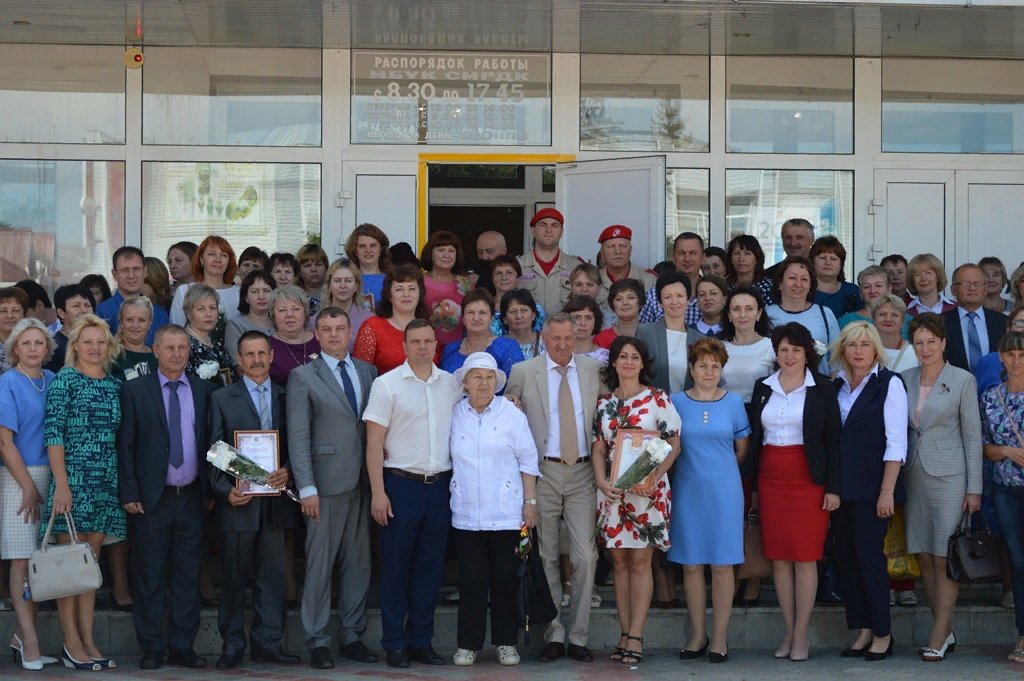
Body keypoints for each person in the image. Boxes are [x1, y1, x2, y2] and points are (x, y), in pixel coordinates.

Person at [505, 314, 603, 664]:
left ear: (577, 336)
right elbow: (509, 420)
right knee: (544, 555)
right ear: (543, 337)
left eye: (568, 338)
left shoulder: (593, 370)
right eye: (555, 338)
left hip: (582, 473)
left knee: (585, 556)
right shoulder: (522, 372)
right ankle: (554, 634)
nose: (562, 345)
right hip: (542, 472)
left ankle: (578, 636)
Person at [118, 324, 217, 670]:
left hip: (191, 497)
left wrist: (212, 489)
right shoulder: (134, 390)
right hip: (150, 499)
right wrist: (128, 491)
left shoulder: (205, 391)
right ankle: (152, 647)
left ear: (189, 352)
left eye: (182, 348)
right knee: (149, 575)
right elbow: (126, 444)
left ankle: (182, 647)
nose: (176, 354)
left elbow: (211, 442)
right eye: (169, 347)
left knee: (188, 575)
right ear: (155, 351)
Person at [363, 319, 461, 668]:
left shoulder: (451, 384)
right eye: (415, 341)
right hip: (399, 485)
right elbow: (374, 443)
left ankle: (421, 641)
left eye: (427, 342)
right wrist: (378, 492)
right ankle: (395, 643)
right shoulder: (386, 385)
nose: (421, 347)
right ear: (404, 346)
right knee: (394, 568)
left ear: (436, 346)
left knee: (429, 569)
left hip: (439, 489)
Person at [288, 307, 379, 669]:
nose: (334, 334)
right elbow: (298, 436)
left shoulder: (368, 372)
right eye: (326, 329)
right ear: (317, 333)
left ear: (349, 331)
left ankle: (353, 634)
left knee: (359, 563)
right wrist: (306, 486)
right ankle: (317, 639)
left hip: (364, 482)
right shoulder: (302, 376)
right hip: (324, 485)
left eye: (340, 328)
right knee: (320, 565)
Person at [746, 322, 842, 661]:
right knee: (780, 560)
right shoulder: (762, 387)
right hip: (771, 481)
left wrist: (833, 488)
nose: (789, 356)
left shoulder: (823, 389)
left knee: (805, 558)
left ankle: (802, 635)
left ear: (807, 354)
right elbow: (756, 441)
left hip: (809, 481)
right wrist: (752, 488)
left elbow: (834, 442)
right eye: (784, 349)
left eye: (796, 350)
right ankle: (789, 630)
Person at [208, 331, 299, 669]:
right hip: (239, 504)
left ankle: (268, 643)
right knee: (233, 579)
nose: (257, 360)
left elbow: (295, 445)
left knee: (273, 578)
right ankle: (232, 645)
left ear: (271, 356)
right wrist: (224, 490)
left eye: (262, 353)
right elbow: (215, 451)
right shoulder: (221, 398)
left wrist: (288, 470)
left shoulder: (286, 395)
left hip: (275, 503)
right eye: (250, 354)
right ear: (240, 359)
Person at [592, 336, 681, 665]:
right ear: (613, 362)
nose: (629, 361)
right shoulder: (604, 403)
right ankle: (623, 632)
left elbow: (673, 444)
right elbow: (599, 446)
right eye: (623, 356)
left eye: (635, 357)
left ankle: (637, 636)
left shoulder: (657, 398)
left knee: (642, 563)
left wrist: (653, 478)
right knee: (619, 564)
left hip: (647, 493)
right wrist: (601, 481)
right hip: (613, 494)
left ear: (644, 363)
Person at [44, 314, 125, 671]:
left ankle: (89, 639)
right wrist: (61, 485)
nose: (94, 347)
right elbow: (54, 435)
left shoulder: (113, 384)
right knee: (67, 568)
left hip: (105, 482)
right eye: (87, 341)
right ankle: (71, 641)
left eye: (100, 342)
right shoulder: (66, 380)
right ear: (74, 345)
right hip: (73, 482)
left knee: (89, 568)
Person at [449, 352, 540, 667]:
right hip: (466, 514)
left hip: (506, 514)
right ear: (465, 383)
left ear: (497, 382)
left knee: (504, 580)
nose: (483, 383)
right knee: (472, 581)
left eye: (489, 377)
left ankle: (506, 643)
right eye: (476, 377)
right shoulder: (454, 413)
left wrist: (530, 503)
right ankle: (468, 645)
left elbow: (528, 460)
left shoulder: (511, 414)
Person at [901, 312, 982, 662]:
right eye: (919, 342)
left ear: (943, 343)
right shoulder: (904, 378)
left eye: (931, 341)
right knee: (924, 554)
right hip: (914, 475)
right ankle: (945, 628)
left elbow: (972, 436)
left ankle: (938, 633)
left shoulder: (962, 380)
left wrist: (974, 488)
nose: (925, 348)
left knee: (945, 556)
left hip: (951, 476)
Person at [669, 338, 750, 664]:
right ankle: (698, 635)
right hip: (688, 491)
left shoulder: (733, 402)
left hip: (725, 493)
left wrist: (722, 474)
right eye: (702, 365)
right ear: (691, 368)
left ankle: (719, 638)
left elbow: (742, 449)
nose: (709, 371)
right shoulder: (675, 402)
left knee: (721, 564)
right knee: (690, 565)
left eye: (715, 365)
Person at [830, 322, 907, 662]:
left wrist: (887, 492)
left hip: (875, 489)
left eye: (864, 344)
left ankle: (883, 633)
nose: (858, 350)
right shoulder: (836, 386)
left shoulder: (890, 384)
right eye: (851, 345)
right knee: (847, 560)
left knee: (869, 560)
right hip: (840, 490)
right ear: (842, 350)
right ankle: (862, 628)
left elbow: (896, 443)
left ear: (876, 348)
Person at [0, 319, 58, 670]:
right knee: (21, 558)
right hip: (17, 476)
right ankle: (30, 640)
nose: (34, 348)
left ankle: (21, 636)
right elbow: (4, 442)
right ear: (15, 349)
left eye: (40, 342)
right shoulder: (7, 382)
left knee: (41, 562)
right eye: (27, 343)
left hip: (52, 475)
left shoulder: (53, 381)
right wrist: (27, 487)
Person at [980, 331, 1024, 663]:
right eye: (1010, 354)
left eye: (1022, 354)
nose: (1016, 360)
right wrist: (1007, 450)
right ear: (1001, 357)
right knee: (1019, 564)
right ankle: (1022, 636)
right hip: (1007, 489)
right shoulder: (991, 398)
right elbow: (983, 447)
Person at [766, 256, 840, 371]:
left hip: (818, 387)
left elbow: (837, 358)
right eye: (792, 278)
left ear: (810, 286)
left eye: (804, 279)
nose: (798, 284)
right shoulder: (766, 314)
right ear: (780, 283)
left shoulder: (825, 314)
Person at [353, 263, 430, 375]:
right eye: (399, 289)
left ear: (420, 293)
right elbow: (361, 376)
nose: (406, 294)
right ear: (389, 295)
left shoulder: (429, 329)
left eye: (412, 288)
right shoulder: (372, 328)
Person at [636, 273, 703, 394]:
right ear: (660, 302)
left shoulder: (699, 339)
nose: (674, 301)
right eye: (668, 297)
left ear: (688, 300)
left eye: (680, 296)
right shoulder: (645, 332)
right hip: (654, 406)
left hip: (688, 406)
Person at [440, 289, 523, 381]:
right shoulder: (450, 349)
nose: (476, 318)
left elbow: (517, 384)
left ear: (491, 318)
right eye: (470, 312)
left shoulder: (507, 346)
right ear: (463, 318)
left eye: (482, 313)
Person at [517, 208, 584, 316]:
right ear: (533, 231)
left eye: (555, 225)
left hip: (565, 331)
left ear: (561, 232)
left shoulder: (576, 267)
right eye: (543, 224)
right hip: (528, 331)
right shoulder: (517, 266)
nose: (549, 229)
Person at [170, 236, 241, 336]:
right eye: (212, 254)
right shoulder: (184, 291)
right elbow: (176, 331)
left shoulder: (239, 293)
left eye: (224, 255)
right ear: (201, 259)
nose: (218, 259)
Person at [97, 246, 171, 344]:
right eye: (125, 270)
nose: (131, 276)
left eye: (136, 269)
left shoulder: (160, 314)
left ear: (144, 272)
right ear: (115, 275)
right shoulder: (104, 312)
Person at [942, 263, 1008, 372]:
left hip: (994, 386)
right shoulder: (940, 323)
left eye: (977, 283)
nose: (972, 288)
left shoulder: (1002, 322)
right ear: (953, 290)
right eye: (966, 283)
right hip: (955, 386)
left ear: (985, 289)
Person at [720, 287, 776, 404]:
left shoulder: (771, 347)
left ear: (759, 314)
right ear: (729, 315)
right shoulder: (719, 348)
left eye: (749, 309)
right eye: (736, 309)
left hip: (759, 413)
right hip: (724, 412)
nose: (743, 315)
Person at [638, 232, 704, 326]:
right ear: (673, 257)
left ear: (703, 258)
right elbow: (643, 334)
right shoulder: (655, 295)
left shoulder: (711, 294)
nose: (687, 259)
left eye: (693, 253)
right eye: (681, 253)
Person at [421, 230, 470, 347]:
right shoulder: (418, 282)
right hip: (426, 347)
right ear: (430, 253)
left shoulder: (465, 284)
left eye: (451, 251)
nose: (447, 255)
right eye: (441, 250)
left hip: (459, 348)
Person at [314, 258, 374, 349]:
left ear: (356, 286)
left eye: (348, 280)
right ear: (329, 286)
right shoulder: (314, 321)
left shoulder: (369, 320)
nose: (343, 286)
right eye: (337, 281)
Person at [268, 285, 320, 386]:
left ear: (305, 312)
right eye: (282, 310)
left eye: (295, 309)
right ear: (273, 315)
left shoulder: (320, 341)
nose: (289, 315)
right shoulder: (266, 346)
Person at [182, 284, 234, 387]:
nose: (208, 314)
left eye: (212, 308)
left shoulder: (218, 345)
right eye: (201, 309)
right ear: (188, 313)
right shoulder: (183, 345)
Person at [596, 225, 656, 312]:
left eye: (622, 246)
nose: (617, 251)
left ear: (630, 250)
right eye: (611, 247)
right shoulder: (592, 282)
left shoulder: (649, 281)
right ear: (602, 253)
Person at [225, 270, 276, 361]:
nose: (261, 296)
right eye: (254, 291)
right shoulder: (235, 325)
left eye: (266, 291)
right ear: (246, 298)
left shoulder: (281, 322)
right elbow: (239, 366)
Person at [46, 284, 96, 372]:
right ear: (61, 313)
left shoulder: (101, 342)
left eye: (87, 305)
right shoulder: (53, 348)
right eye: (76, 306)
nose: (84, 310)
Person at [811, 236, 862, 318]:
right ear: (812, 261)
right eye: (822, 258)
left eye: (833, 259)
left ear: (841, 264)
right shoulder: (804, 290)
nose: (828, 263)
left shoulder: (852, 292)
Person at [112, 295, 158, 382]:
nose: (135, 325)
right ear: (121, 322)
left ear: (150, 323)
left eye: (141, 320)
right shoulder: (111, 355)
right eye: (129, 320)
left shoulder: (158, 356)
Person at [871, 294, 919, 373]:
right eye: (882, 314)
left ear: (902, 322)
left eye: (894, 315)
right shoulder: (862, 351)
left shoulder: (915, 354)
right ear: (873, 320)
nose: (888, 319)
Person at [345, 223, 390, 304]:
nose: (368, 250)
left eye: (373, 245)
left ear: (381, 248)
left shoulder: (392, 279)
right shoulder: (346, 280)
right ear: (355, 250)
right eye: (362, 246)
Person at [761, 218, 815, 286]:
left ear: (812, 239)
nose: (793, 243)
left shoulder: (824, 272)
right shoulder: (768, 275)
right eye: (788, 237)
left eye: (799, 237)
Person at [725, 234, 774, 306]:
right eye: (736, 253)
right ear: (731, 259)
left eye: (747, 254)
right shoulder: (725, 287)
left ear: (757, 258)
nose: (741, 259)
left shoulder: (768, 288)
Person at [595, 278, 644, 349]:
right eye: (619, 299)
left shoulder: (652, 335)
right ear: (612, 305)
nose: (625, 303)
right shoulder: (602, 338)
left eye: (631, 297)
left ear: (640, 302)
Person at [499, 289, 546, 360]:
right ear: (505, 319)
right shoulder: (498, 346)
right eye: (512, 311)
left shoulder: (547, 340)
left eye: (524, 310)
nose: (519, 316)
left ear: (533, 315)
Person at [563, 295, 608, 362]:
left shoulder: (605, 357)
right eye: (577, 317)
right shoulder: (555, 354)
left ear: (596, 322)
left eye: (588, 318)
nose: (583, 323)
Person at [0, 287, 28, 375]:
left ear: (24, 314)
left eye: (15, 310)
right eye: (3, 311)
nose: (9, 316)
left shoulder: (33, 342)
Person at [296, 243, 329, 316]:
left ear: (326, 268)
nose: (313, 269)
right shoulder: (293, 296)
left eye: (318, 264)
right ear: (299, 271)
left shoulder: (335, 293)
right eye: (307, 265)